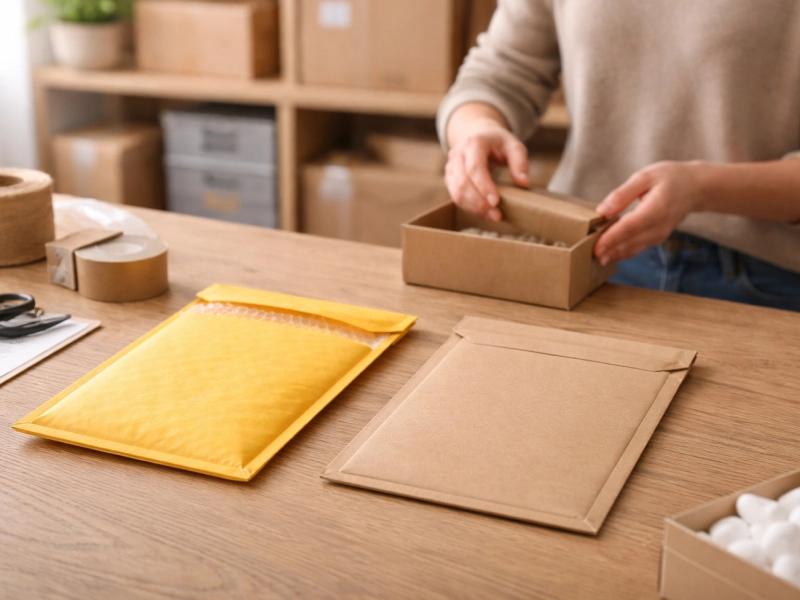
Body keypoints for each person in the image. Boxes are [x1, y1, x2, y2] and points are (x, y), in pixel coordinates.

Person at [438, 0, 800, 311]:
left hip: (765, 280)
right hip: (582, 255)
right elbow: (498, 72)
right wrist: (474, 130)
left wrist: (700, 189)